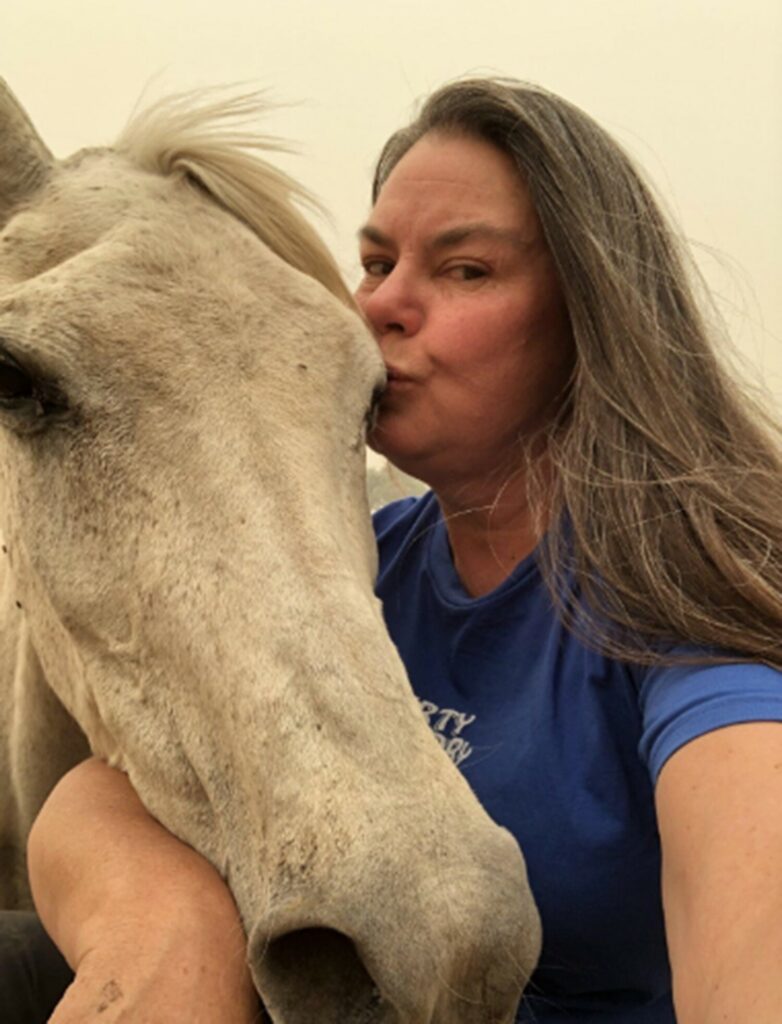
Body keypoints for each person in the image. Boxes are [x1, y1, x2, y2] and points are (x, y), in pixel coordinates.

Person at [4, 76, 782, 1023]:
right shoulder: (363, 559)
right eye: (376, 263)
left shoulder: (691, 615)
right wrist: (170, 929)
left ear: (592, 320)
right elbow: (124, 764)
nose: (379, 308)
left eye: (466, 271)